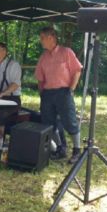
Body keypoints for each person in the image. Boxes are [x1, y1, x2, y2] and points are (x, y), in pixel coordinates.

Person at [35, 27, 83, 164]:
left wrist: (71, 89)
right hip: (48, 94)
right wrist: (42, 93)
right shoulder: (43, 57)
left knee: (69, 121)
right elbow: (40, 78)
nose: (41, 41)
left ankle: (77, 150)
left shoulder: (66, 52)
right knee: (48, 123)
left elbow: (77, 71)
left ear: (51, 37)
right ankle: (60, 149)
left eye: (42, 38)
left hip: (64, 92)